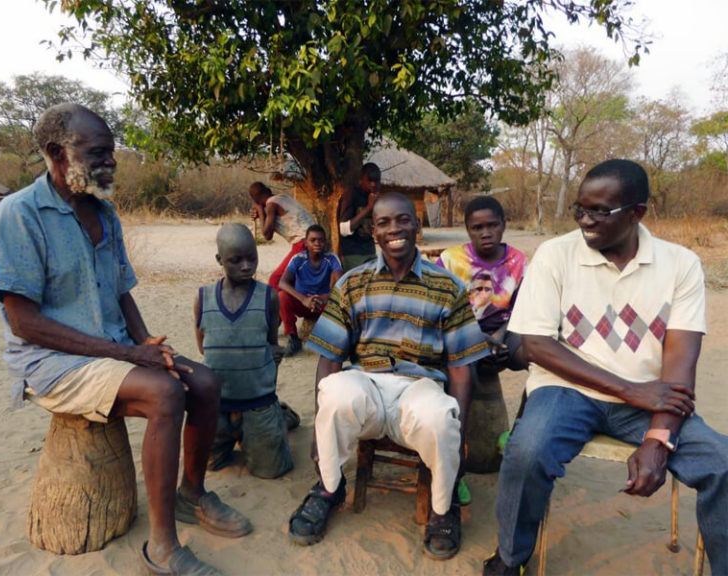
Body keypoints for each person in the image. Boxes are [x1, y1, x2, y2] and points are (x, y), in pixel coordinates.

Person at [0, 103, 251, 576]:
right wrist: (130, 354)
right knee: (165, 392)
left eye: (112, 152)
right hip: (50, 362)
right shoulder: (19, 213)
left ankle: (192, 493)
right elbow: (23, 323)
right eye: (98, 152)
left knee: (205, 382)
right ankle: (161, 548)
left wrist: (148, 341)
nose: (110, 162)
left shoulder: (104, 213)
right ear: (55, 153)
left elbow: (121, 292)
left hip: (111, 350)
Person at [483, 159, 728, 576]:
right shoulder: (555, 255)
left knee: (721, 464)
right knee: (526, 453)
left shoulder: (680, 265)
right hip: (566, 389)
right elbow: (537, 345)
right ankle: (510, 559)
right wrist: (629, 390)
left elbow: (680, 364)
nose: (585, 220)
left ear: (637, 213)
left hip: (651, 398)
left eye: (600, 211)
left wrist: (659, 438)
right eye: (580, 208)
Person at [287, 192, 489, 560]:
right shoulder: (352, 283)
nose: (394, 229)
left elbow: (462, 368)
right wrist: (320, 426)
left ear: (416, 225)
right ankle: (328, 488)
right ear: (374, 233)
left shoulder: (448, 288)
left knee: (440, 417)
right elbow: (330, 357)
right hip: (368, 386)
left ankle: (443, 510)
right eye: (384, 223)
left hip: (419, 388)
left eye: (402, 220)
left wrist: (458, 432)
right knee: (333, 391)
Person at [195, 223, 293, 479]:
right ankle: (245, 429)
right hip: (217, 405)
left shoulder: (268, 298)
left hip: (257, 403)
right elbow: (204, 346)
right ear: (219, 259)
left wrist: (272, 357)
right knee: (209, 464)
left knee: (271, 471)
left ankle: (279, 417)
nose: (246, 266)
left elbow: (272, 343)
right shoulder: (203, 298)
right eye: (235, 260)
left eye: (252, 258)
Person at [437, 196, 528, 373]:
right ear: (468, 230)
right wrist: (476, 338)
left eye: (492, 225)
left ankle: (533, 400)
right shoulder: (450, 260)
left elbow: (522, 310)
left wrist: (499, 337)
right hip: (462, 331)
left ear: (503, 224)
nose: (486, 233)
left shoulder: (517, 261)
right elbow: (440, 310)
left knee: (532, 354)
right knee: (460, 358)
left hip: (505, 331)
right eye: (477, 228)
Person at [277, 224, 343, 357]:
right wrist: (304, 299)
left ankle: (336, 340)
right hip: (302, 302)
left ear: (325, 242)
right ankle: (293, 338)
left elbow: (341, 284)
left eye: (321, 240)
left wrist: (325, 298)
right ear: (306, 243)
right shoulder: (298, 259)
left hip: (322, 303)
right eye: (313, 240)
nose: (317, 243)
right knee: (282, 296)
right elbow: (282, 282)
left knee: (342, 301)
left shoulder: (331, 259)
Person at [248, 182, 315, 291]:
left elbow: (266, 235)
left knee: (276, 280)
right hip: (311, 241)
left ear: (255, 199)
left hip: (303, 244)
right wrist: (262, 215)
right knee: (294, 281)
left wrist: (260, 211)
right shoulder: (283, 198)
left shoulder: (271, 205)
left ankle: (276, 307)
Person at [337, 162, 380, 271]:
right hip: (353, 253)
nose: (373, 184)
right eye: (370, 181)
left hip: (370, 251)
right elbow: (344, 229)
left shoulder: (374, 197)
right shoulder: (351, 195)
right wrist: (368, 208)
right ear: (361, 179)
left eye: (377, 181)